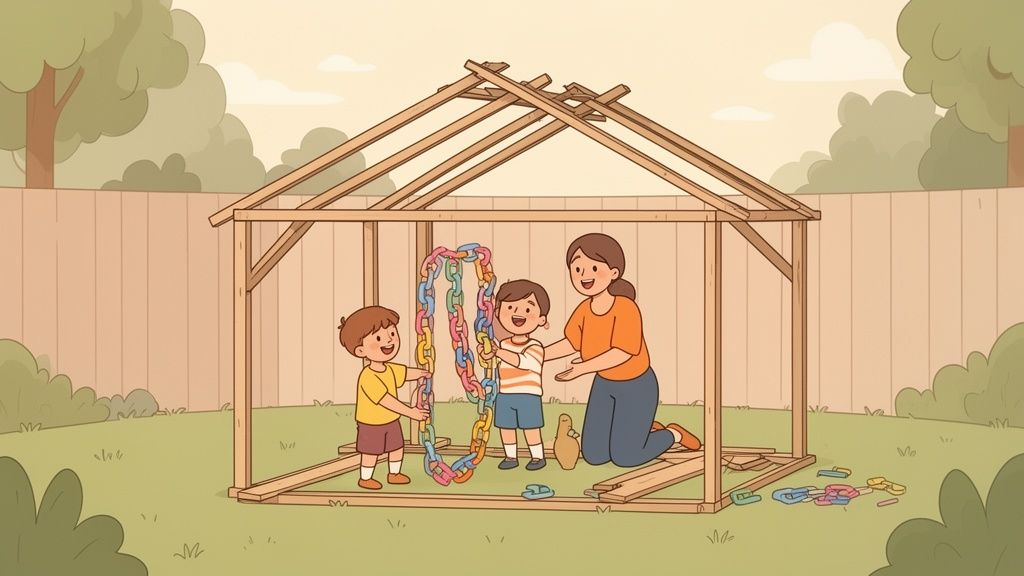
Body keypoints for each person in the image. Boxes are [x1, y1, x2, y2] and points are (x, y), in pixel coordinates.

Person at [545, 233, 702, 468]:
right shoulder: (584, 310)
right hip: (604, 385)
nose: (584, 275)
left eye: (594, 268)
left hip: (636, 386)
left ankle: (672, 434)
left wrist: (581, 369)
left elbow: (622, 352)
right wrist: (535, 355)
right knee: (594, 455)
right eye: (577, 269)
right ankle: (641, 429)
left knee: (625, 457)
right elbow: (571, 343)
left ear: (614, 272)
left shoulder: (626, 308)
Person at [338, 306, 430, 490]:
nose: (389, 340)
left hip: (391, 421)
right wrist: (411, 412)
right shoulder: (368, 377)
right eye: (379, 338)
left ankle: (394, 473)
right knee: (370, 452)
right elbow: (386, 400)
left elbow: (405, 373)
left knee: (396, 448)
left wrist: (422, 373)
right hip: (371, 423)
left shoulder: (389, 369)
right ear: (361, 351)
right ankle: (365, 477)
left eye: (392, 333)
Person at [489, 279, 551, 471]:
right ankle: (510, 456)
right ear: (499, 314)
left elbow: (523, 362)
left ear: (541, 319)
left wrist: (498, 352)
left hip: (528, 395)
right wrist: (488, 354)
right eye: (510, 308)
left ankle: (537, 457)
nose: (518, 314)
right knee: (506, 428)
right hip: (506, 394)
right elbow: (498, 363)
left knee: (530, 428)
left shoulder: (535, 347)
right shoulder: (505, 344)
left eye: (527, 309)